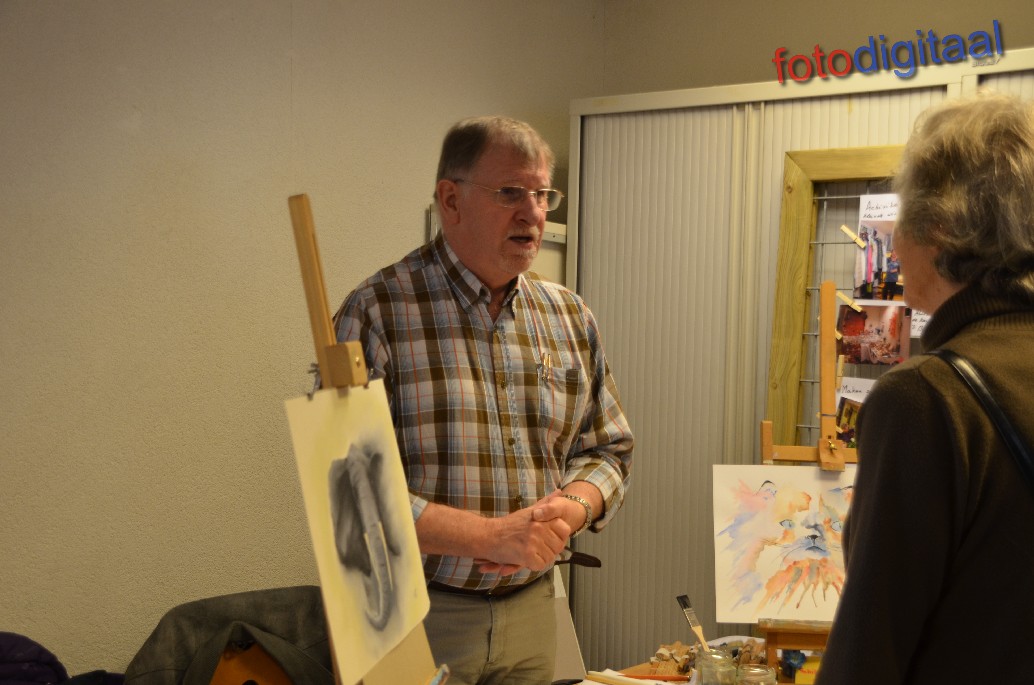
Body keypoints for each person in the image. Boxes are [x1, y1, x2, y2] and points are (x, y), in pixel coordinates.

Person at [332, 116, 634, 684]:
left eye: (542, 195)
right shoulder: (375, 312)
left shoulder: (569, 315)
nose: (533, 213)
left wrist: (568, 510)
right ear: (451, 200)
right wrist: (492, 538)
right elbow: (351, 492)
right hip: (418, 616)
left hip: (534, 609)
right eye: (511, 193)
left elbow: (609, 450)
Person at [819, 93, 1034, 683]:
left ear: (937, 229)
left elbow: (869, 647)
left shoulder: (927, 398)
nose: (891, 243)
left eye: (900, 220)